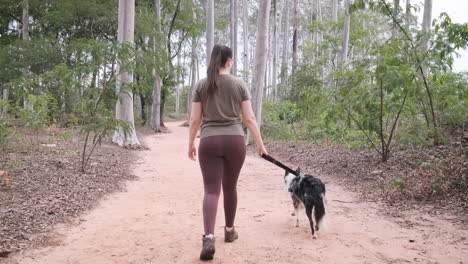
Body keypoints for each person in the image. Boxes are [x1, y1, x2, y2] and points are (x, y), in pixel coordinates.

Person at [188, 44, 268, 261]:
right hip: (235, 140)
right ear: (229, 62)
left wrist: (190, 143)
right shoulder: (239, 83)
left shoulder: (202, 85)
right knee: (230, 187)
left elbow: (195, 120)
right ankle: (230, 231)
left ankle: (209, 237)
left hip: (209, 141)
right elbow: (249, 119)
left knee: (211, 190)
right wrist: (260, 144)